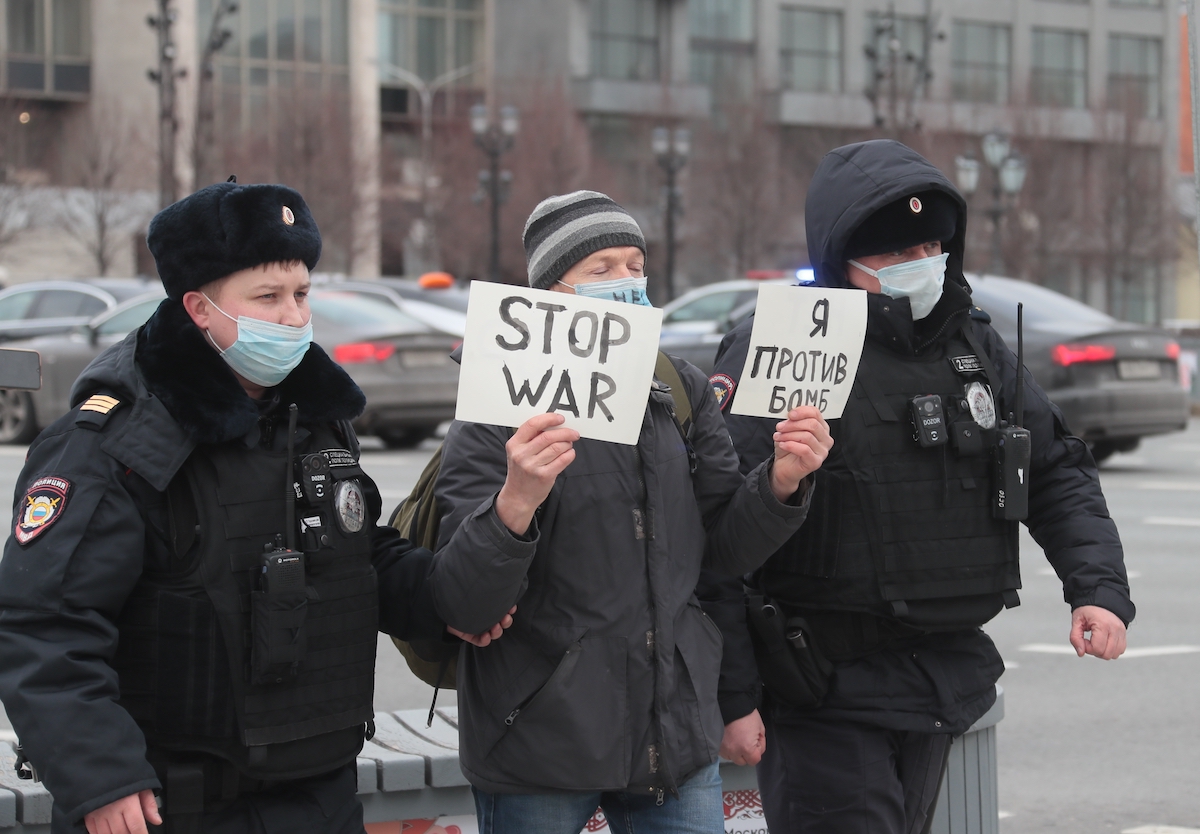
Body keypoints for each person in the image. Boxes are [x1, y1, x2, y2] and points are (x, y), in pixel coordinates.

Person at [0, 181, 507, 834]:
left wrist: (449, 599)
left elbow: (359, 559)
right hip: (167, 804)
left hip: (319, 792)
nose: (295, 317)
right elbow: (45, 624)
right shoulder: (116, 440)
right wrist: (101, 777)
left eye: (301, 294)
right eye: (268, 297)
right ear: (199, 308)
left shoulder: (313, 419)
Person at [708, 139, 1134, 834]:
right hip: (822, 690)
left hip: (938, 680)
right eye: (896, 254)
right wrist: (733, 696)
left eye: (931, 246)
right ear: (841, 257)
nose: (920, 265)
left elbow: (1054, 469)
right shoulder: (788, 346)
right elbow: (716, 539)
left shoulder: (972, 344)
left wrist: (1099, 590)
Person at [426, 190, 834, 834]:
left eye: (635, 265)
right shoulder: (497, 406)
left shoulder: (679, 388)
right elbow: (464, 602)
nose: (626, 283)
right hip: (538, 742)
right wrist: (516, 501)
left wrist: (781, 484)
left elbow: (720, 553)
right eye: (602, 269)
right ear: (551, 294)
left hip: (673, 731)